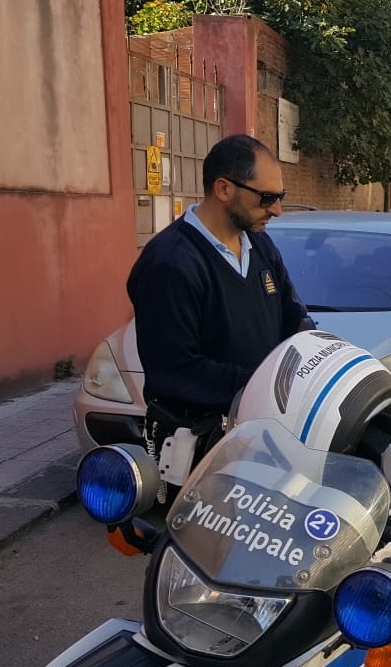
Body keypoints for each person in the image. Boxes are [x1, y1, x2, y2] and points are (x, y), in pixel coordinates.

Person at [126, 134, 314, 459]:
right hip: (199, 451)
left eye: (280, 196)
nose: (278, 210)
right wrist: (268, 385)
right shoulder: (170, 263)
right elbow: (176, 370)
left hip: (264, 434)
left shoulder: (261, 247)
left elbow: (294, 322)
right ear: (224, 189)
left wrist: (318, 366)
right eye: (267, 197)